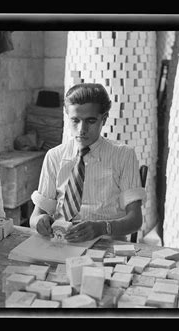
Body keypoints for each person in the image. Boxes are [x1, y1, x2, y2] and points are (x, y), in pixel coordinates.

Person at [29, 83, 147, 243]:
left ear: (104, 119)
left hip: (108, 243)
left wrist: (102, 227)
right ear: (67, 116)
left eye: (90, 121)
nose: (81, 129)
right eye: (75, 120)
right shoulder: (54, 156)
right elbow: (35, 216)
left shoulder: (123, 155)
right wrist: (40, 221)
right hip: (63, 242)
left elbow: (135, 220)